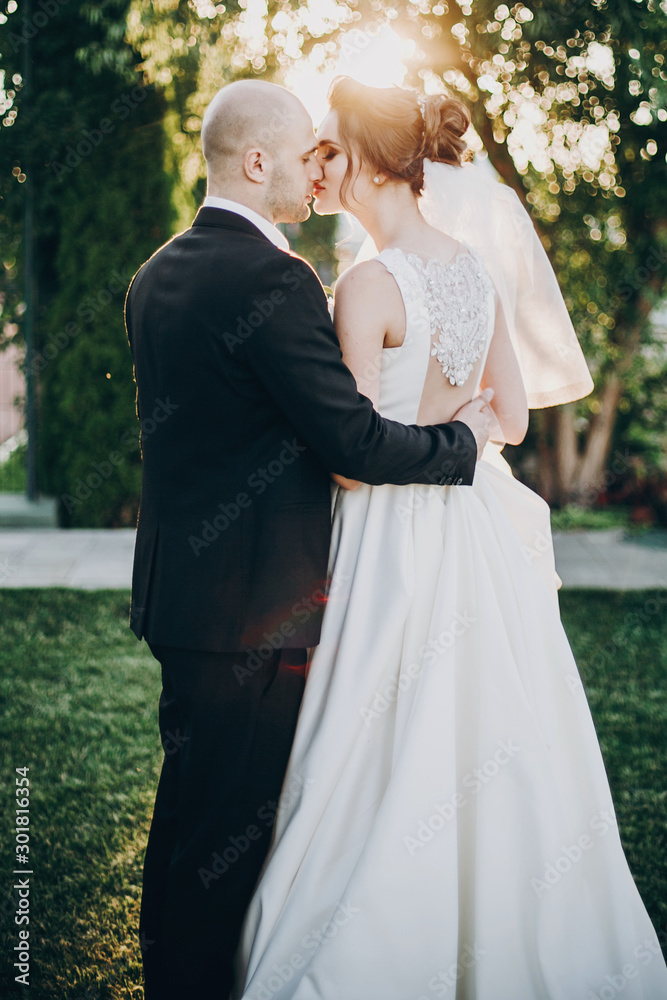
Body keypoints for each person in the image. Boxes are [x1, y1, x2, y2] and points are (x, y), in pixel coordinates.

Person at [232, 78, 667, 999]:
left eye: (330, 150)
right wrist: (457, 432)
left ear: (368, 162)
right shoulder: (472, 268)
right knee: (491, 727)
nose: (318, 165)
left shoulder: (366, 284)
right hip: (471, 531)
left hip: (386, 539)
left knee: (374, 733)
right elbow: (509, 416)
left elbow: (353, 463)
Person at [124, 79, 495, 999]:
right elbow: (352, 442)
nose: (314, 171)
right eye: (301, 156)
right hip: (254, 611)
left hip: (180, 600)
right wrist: (462, 444)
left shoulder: (156, 274)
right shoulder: (274, 280)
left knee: (186, 817)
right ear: (257, 162)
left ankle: (166, 975)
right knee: (223, 842)